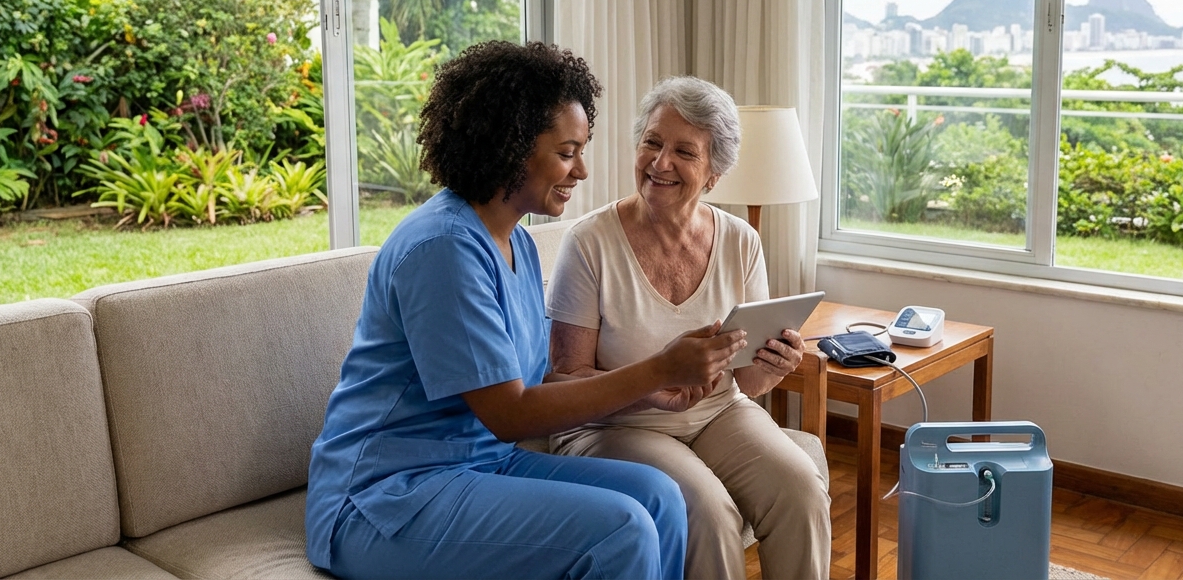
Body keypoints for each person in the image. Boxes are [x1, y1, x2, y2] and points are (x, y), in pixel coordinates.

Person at [305, 43, 748, 580]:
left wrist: (651, 392)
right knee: (622, 528)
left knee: (661, 496)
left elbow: (536, 382)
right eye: (567, 152)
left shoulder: (516, 242)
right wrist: (657, 369)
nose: (582, 170)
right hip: (386, 496)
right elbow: (511, 413)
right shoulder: (444, 248)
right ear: (511, 147)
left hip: (481, 463)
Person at [547, 76, 831, 580]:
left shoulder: (741, 242)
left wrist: (774, 366)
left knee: (801, 488)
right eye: (652, 142)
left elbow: (748, 381)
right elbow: (564, 380)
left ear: (714, 174)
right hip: (615, 426)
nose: (660, 163)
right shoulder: (589, 243)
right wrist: (654, 386)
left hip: (719, 411)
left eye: (684, 151)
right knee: (709, 512)